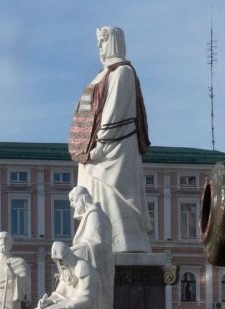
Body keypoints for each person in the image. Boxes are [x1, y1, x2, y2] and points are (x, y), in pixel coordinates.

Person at [68, 26, 152, 256]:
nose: (99, 46)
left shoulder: (122, 72)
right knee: (96, 196)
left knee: (114, 195)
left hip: (113, 149)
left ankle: (123, 241)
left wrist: (102, 144)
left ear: (115, 42)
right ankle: (97, 237)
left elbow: (115, 111)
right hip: (92, 150)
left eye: (104, 40)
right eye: (98, 41)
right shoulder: (101, 75)